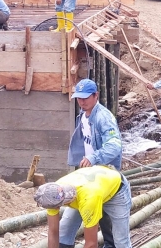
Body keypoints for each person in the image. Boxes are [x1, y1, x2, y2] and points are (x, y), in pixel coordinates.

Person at [57, 78, 123, 247]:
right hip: (87, 178)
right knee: (66, 226)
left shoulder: (103, 118)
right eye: (79, 98)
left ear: (96, 96)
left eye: (86, 97)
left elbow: (114, 146)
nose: (82, 101)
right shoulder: (84, 115)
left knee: (108, 224)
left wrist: (94, 158)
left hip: (104, 176)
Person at [34, 165, 132, 248]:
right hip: (93, 188)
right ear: (56, 206)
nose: (71, 196)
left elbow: (91, 244)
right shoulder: (51, 194)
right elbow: (53, 232)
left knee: (120, 241)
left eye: (68, 197)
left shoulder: (88, 199)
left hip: (117, 190)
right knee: (64, 232)